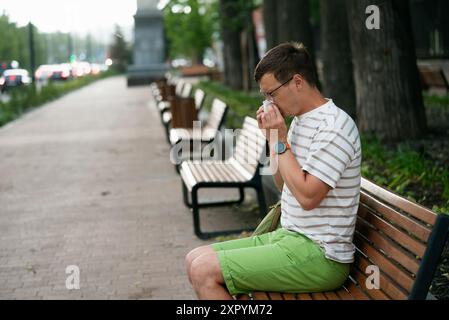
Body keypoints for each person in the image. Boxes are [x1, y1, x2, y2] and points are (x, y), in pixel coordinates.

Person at [185, 42, 362, 300]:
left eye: (272, 93)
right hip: (289, 238)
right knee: (193, 259)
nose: (269, 102)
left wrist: (280, 139)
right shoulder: (301, 121)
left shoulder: (334, 128)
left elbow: (308, 197)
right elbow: (283, 186)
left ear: (297, 82)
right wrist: (272, 139)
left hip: (320, 255)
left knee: (205, 272)